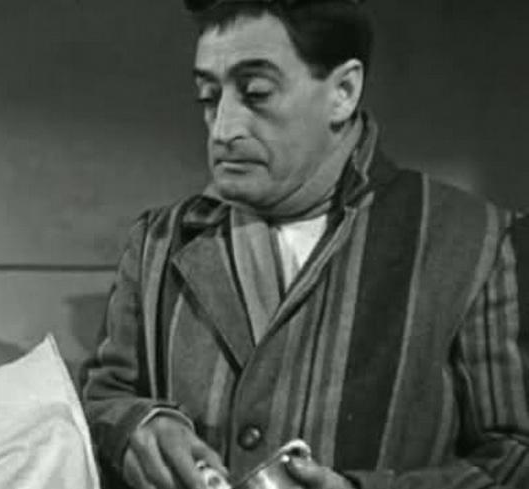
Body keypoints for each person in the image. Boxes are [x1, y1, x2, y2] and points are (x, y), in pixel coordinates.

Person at [81, 1, 529, 489]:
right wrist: (134, 429)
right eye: (208, 97)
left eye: (256, 94)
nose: (223, 130)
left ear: (343, 92)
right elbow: (101, 398)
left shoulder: (476, 244)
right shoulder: (158, 242)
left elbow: (514, 458)